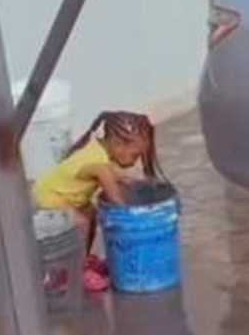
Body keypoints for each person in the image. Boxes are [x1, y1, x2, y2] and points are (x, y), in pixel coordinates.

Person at [31, 111, 162, 292]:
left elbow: (119, 176)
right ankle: (74, 274)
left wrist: (139, 182)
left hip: (59, 194)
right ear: (117, 144)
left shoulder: (98, 151)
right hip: (49, 197)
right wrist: (140, 216)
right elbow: (117, 200)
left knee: (90, 212)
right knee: (82, 222)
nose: (135, 162)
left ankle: (82, 259)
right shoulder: (99, 165)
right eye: (135, 155)